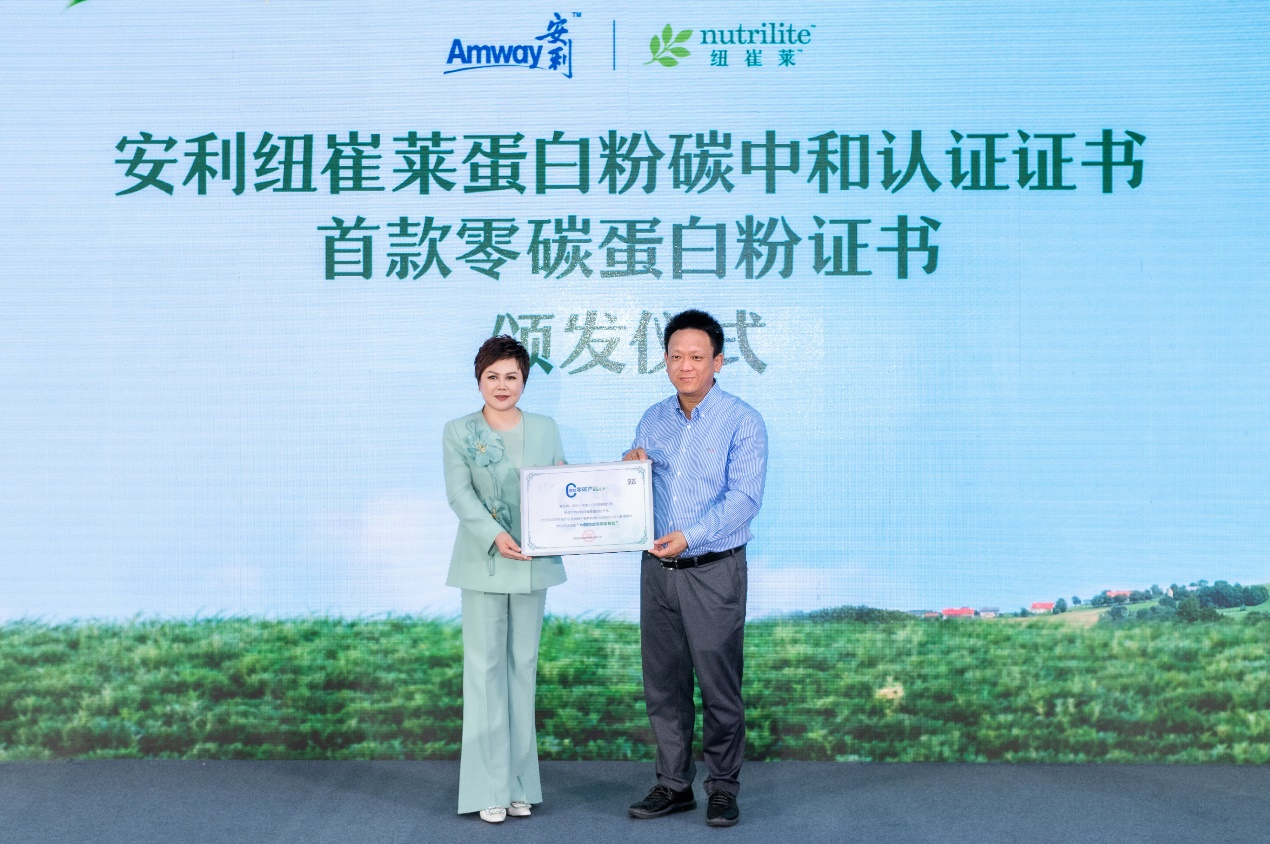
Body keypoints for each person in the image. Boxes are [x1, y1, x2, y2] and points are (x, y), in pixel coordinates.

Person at [622, 309, 768, 828]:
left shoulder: (742, 421)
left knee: (719, 686)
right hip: (657, 571)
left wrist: (691, 536)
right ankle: (673, 784)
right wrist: (628, 473)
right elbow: (641, 489)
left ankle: (723, 787)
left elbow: (744, 499)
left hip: (713, 569)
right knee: (664, 685)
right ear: (664, 360)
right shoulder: (653, 419)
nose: (686, 366)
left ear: (718, 362)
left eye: (697, 357)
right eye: (676, 356)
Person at [442, 335, 566, 823]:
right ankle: (487, 788)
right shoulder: (458, 430)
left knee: (523, 669)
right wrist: (495, 534)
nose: (501, 385)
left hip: (534, 563)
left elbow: (560, 485)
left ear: (524, 381)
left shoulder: (545, 427)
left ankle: (519, 785)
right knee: (484, 672)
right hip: (483, 561)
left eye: (511, 376)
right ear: (478, 380)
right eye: (492, 376)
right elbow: (460, 495)